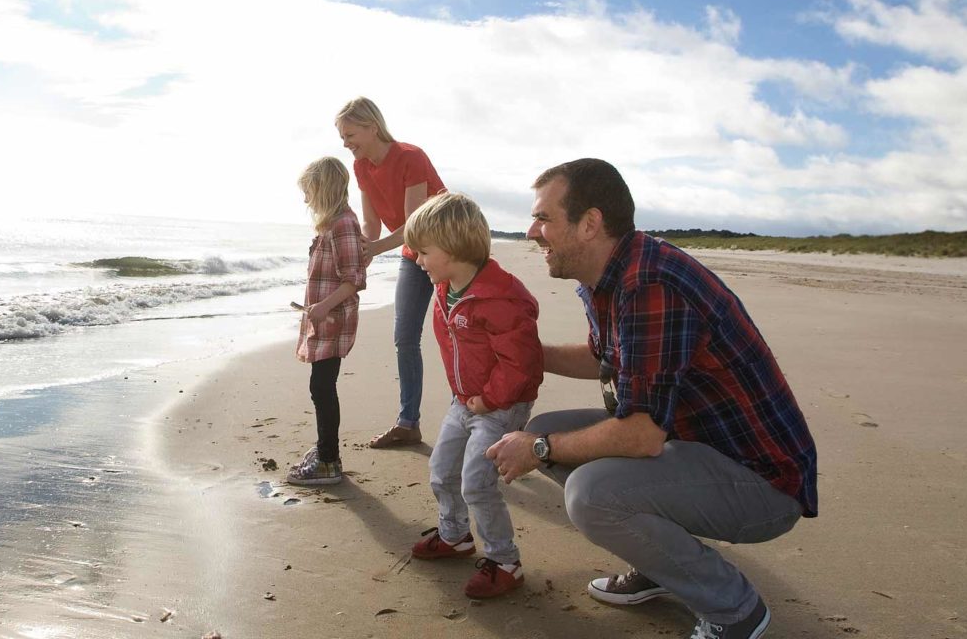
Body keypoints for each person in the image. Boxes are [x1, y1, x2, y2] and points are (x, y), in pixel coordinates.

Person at [486, 159, 818, 639]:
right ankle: (662, 567)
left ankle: (736, 611)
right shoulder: (607, 276)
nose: (532, 232)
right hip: (696, 447)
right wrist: (525, 355)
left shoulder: (649, 284)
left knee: (591, 494)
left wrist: (539, 450)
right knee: (550, 428)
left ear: (590, 223)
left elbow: (641, 435)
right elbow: (605, 359)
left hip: (764, 483)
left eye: (544, 218)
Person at [402, 192, 543, 599]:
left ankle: (505, 561)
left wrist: (489, 399)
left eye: (423, 251)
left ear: (453, 248)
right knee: (442, 471)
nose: (416, 259)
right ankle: (455, 536)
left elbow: (522, 363)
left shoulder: (502, 298)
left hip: (499, 406)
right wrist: (466, 395)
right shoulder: (446, 288)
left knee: (476, 484)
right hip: (463, 401)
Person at [335, 96, 446, 449]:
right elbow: (371, 224)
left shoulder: (410, 157)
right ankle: (408, 423)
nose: (346, 143)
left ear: (372, 127)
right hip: (414, 253)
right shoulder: (362, 168)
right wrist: (360, 253)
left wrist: (374, 250)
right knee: (404, 337)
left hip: (448, 249)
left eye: (350, 134)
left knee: (457, 332)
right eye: (342, 137)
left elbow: (415, 223)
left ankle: (476, 415)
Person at [287, 157, 368, 486]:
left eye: (309, 191)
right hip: (324, 318)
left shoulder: (343, 225)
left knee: (321, 386)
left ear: (324, 188)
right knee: (320, 386)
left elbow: (355, 279)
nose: (306, 199)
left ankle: (329, 460)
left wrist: (323, 307)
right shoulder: (330, 225)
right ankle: (325, 451)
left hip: (334, 320)